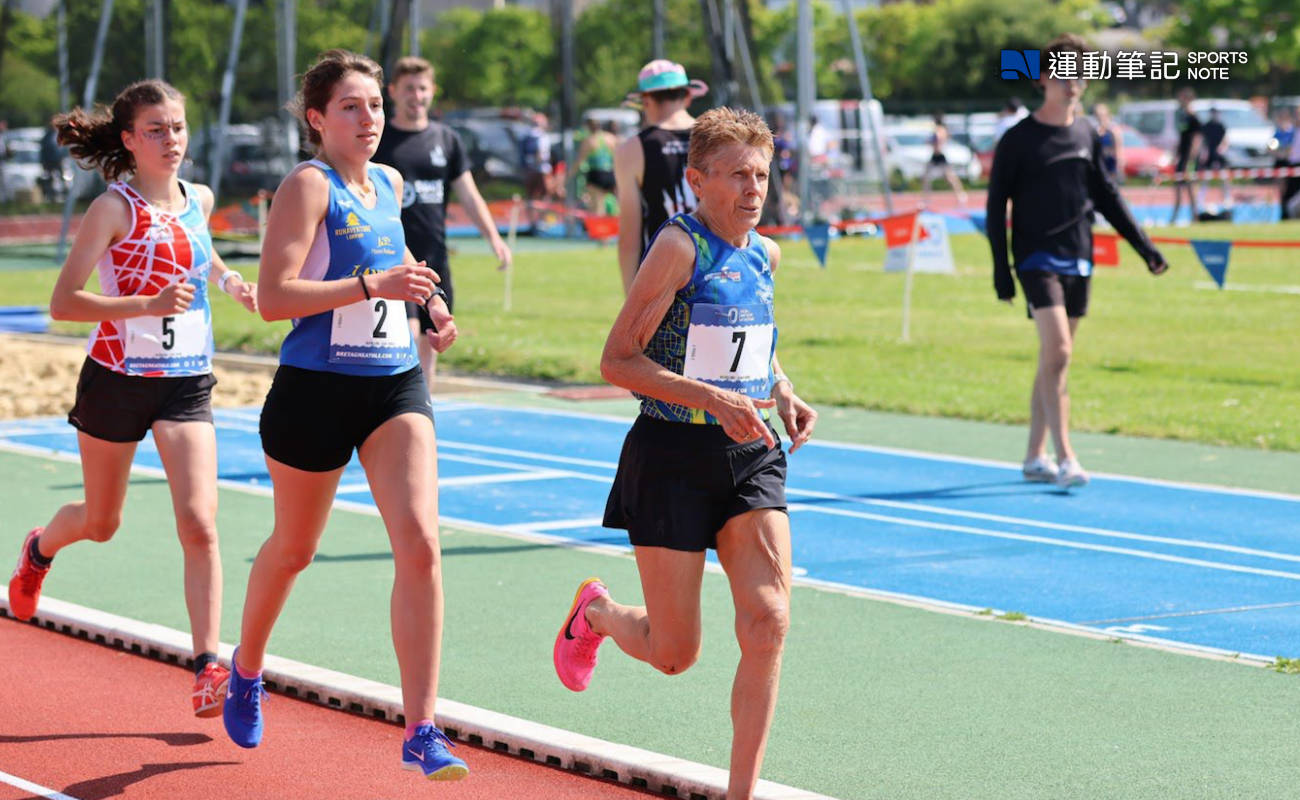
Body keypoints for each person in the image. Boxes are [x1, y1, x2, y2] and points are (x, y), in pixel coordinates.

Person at [554, 107, 817, 800]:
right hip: (671, 454)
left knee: (769, 620)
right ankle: (597, 614)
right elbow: (617, 360)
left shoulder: (766, 253)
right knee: (674, 654)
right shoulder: (678, 247)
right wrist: (710, 398)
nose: (753, 189)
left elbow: (750, 340)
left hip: (749, 452)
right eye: (737, 175)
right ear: (697, 181)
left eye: (762, 175)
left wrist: (782, 389)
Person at [221, 50, 466, 781]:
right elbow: (273, 298)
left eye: (375, 105)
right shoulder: (307, 185)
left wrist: (430, 301)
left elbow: (398, 257)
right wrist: (368, 286)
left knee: (421, 545)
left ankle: (422, 728)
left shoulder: (389, 181)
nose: (369, 119)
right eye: (351, 107)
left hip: (392, 385)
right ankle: (246, 669)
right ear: (318, 119)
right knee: (295, 549)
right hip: (315, 391)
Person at [6, 80, 259, 717]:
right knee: (102, 523)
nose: (171, 139)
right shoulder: (112, 209)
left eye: (177, 127)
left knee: (199, 522)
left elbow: (200, 255)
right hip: (116, 379)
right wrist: (145, 305)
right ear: (129, 140)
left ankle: (207, 667)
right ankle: (38, 550)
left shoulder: (200, 198)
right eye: (155, 130)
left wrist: (230, 281)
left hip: (185, 380)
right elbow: (63, 303)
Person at [986, 34, 1168, 489]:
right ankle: (1067, 456)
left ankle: (1034, 456)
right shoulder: (1018, 139)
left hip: (1079, 258)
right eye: (1064, 74)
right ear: (1043, 79)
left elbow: (1108, 197)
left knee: (1054, 358)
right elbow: (995, 207)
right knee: (1061, 352)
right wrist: (1002, 271)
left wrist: (1145, 248)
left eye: (1080, 74)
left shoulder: (1088, 133)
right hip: (1035, 259)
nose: (1073, 83)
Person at [373, 56, 511, 394]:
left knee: (430, 343)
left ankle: (422, 411)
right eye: (409, 88)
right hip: (391, 256)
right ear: (393, 91)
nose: (416, 96)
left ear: (432, 91)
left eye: (422, 88)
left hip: (434, 258)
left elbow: (469, 194)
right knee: (403, 339)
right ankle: (391, 410)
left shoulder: (446, 139)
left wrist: (494, 238)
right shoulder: (379, 139)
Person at [614, 60, 707, 295]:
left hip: (661, 277)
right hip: (718, 271)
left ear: (645, 101)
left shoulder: (632, 149)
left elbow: (630, 237)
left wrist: (633, 301)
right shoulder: (717, 139)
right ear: (687, 96)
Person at [1169, 88, 1201, 226]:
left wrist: (1191, 158)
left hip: (1189, 158)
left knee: (1191, 187)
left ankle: (1195, 216)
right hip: (1182, 157)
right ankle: (1175, 216)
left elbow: (1196, 139)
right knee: (1178, 186)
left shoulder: (1194, 118)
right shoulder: (1182, 117)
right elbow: (1181, 138)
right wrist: (1176, 154)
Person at [921, 114, 968, 206]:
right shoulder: (938, 130)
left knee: (950, 177)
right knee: (926, 177)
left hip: (940, 157)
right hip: (934, 156)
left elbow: (939, 139)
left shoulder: (940, 129)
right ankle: (926, 198)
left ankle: (961, 195)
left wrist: (932, 140)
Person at [577, 117, 619, 215]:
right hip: (610, 173)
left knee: (598, 209)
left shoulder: (589, 140)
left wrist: (568, 176)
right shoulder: (611, 138)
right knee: (615, 206)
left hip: (596, 175)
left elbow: (579, 162)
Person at [1197, 107, 1231, 212]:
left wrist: (1222, 148)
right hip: (1209, 155)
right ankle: (1200, 200)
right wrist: (1203, 152)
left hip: (1219, 155)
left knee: (1224, 177)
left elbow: (1225, 139)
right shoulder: (1206, 126)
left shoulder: (1221, 126)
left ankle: (1227, 199)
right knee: (1205, 178)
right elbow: (1203, 141)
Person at [1271, 108, 1298, 219]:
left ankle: (1289, 212)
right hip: (1281, 163)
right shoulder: (1277, 133)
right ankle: (1283, 212)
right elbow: (1271, 147)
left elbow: (1291, 149)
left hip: (1290, 163)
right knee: (1281, 190)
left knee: (1291, 189)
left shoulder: (1292, 132)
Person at [1092, 103, 1124, 183]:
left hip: (1111, 160)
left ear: (1107, 115)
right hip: (1100, 161)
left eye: (1102, 115)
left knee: (1111, 184)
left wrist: (1119, 162)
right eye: (1098, 115)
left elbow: (1118, 148)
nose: (1100, 117)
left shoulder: (1113, 129)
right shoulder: (1095, 130)